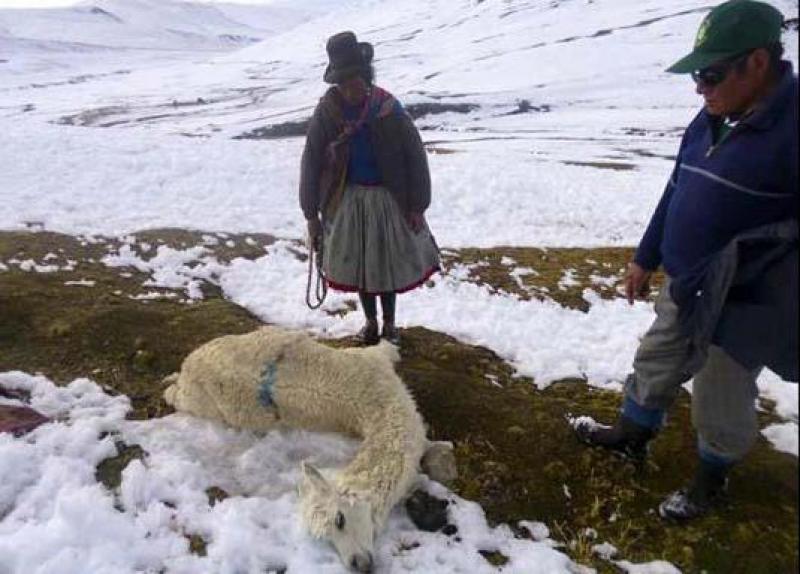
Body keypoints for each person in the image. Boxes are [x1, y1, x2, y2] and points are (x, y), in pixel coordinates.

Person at [575, 0, 798, 521]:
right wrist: (645, 255)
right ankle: (633, 433)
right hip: (686, 278)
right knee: (656, 357)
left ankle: (710, 478)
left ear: (759, 63)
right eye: (698, 74)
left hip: (748, 298)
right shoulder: (710, 117)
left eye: (711, 73)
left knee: (721, 390)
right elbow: (676, 188)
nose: (700, 86)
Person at [299, 31, 440, 345]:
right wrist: (311, 213)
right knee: (361, 267)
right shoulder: (328, 112)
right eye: (343, 84)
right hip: (347, 200)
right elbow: (311, 159)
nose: (350, 90)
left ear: (367, 77)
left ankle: (390, 324)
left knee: (385, 266)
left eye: (356, 82)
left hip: (387, 199)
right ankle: (371, 322)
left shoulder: (388, 109)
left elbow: (415, 157)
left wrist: (417, 205)